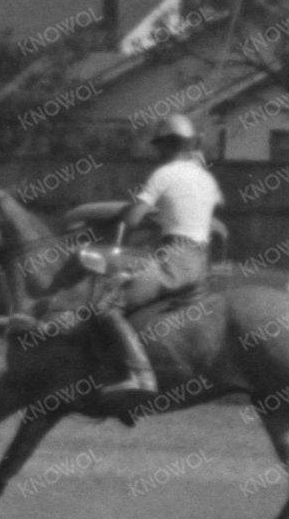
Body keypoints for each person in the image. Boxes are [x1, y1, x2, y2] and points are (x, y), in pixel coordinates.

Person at [90, 114, 224, 399]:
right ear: (189, 144)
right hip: (202, 262)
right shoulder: (206, 178)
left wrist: (126, 212)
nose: (158, 152)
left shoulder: (164, 174)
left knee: (106, 307)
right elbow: (191, 212)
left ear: (166, 146)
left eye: (160, 146)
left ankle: (141, 376)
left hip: (175, 258)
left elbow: (135, 218)